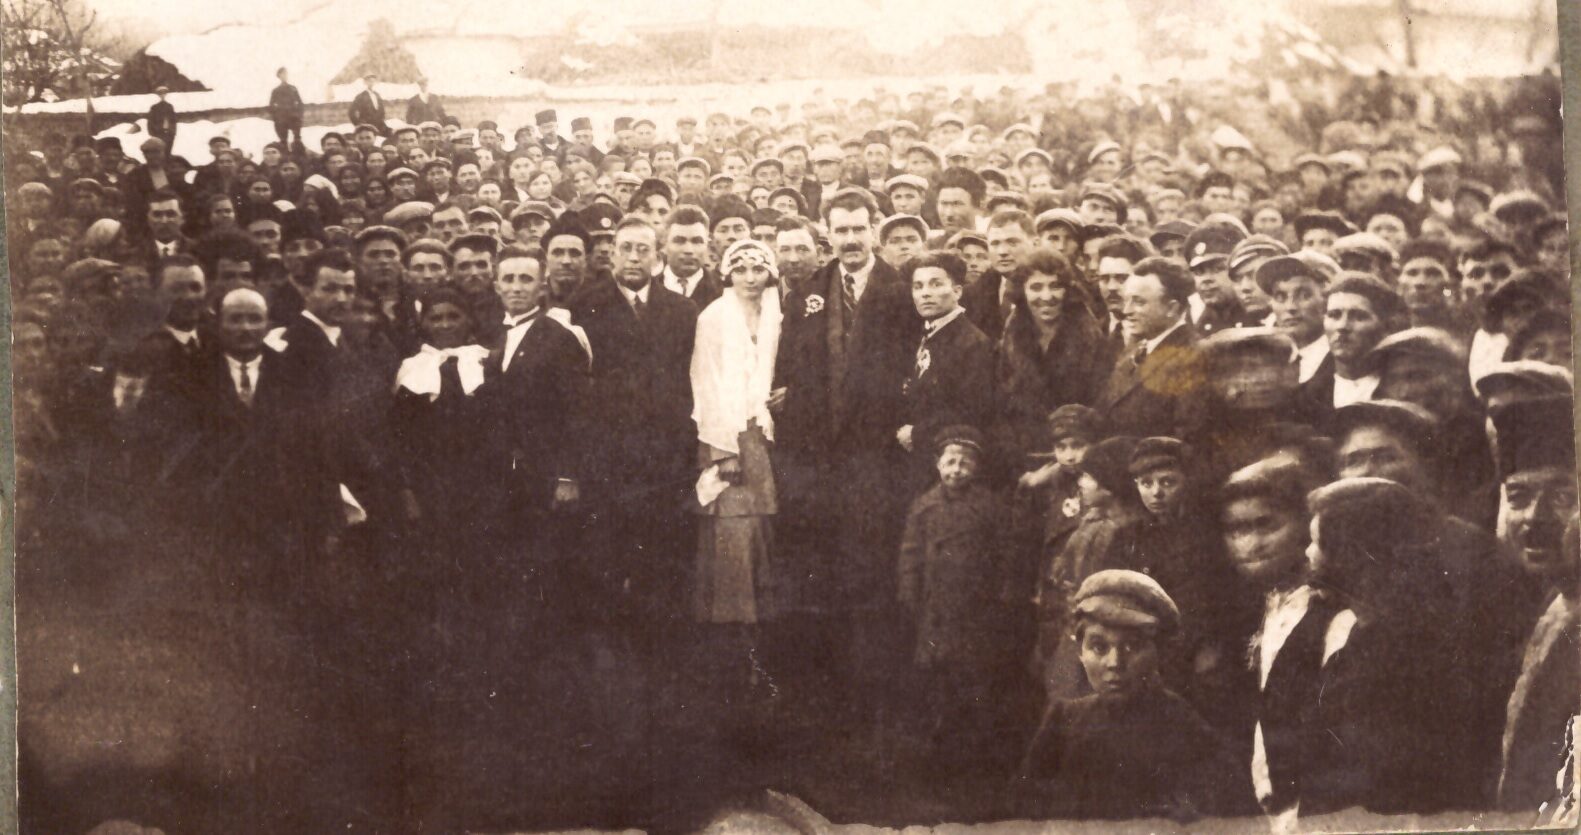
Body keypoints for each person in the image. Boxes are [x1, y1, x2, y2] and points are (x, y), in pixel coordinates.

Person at [1021, 570, 1242, 821]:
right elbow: (1021, 811)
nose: (1114, 662)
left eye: (1132, 646)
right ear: (1080, 652)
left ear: (1159, 652)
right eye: (1098, 647)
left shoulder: (1185, 726)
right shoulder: (1063, 721)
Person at [897, 425, 1018, 779]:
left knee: (973, 679)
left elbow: (1006, 554)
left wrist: (1003, 597)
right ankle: (936, 753)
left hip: (976, 609)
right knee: (937, 678)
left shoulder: (989, 507)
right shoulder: (924, 506)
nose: (956, 470)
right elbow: (910, 555)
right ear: (937, 464)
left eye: (965, 463)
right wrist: (909, 593)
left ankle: (972, 756)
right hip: (935, 608)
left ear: (977, 468)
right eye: (950, 462)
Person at [993, 247, 1109, 475]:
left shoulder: (1090, 336)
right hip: (1023, 457)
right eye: (1036, 287)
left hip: (1074, 458)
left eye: (1055, 286)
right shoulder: (1013, 333)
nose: (1047, 297)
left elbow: (1097, 408)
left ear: (1068, 290)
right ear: (1022, 291)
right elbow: (1002, 402)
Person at [897, 252, 994, 484]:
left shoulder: (972, 342)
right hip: (920, 458)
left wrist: (917, 433)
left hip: (950, 461)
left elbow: (971, 409)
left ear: (957, 291)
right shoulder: (926, 334)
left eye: (936, 284)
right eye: (918, 286)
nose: (925, 293)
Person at [1096, 256, 1208, 439]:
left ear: (1172, 308)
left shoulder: (1193, 358)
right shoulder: (1137, 347)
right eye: (1127, 300)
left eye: (1139, 302)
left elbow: (1186, 439)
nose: (1126, 310)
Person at [268, 68, 305, 152]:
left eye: (286, 74)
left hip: (294, 117)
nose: (285, 76)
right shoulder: (276, 90)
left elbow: (300, 102)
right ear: (279, 76)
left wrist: (300, 115)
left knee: (297, 139)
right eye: (282, 74)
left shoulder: (293, 88)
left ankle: (298, 154)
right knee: (283, 141)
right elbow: (271, 105)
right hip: (282, 118)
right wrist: (276, 117)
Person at [147, 87, 178, 155]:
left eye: (164, 93)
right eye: (160, 94)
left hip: (169, 134)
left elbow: (173, 120)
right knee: (160, 152)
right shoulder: (154, 108)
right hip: (158, 133)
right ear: (158, 95)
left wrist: (173, 132)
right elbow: (150, 122)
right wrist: (153, 134)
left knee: (168, 152)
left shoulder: (170, 106)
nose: (162, 95)